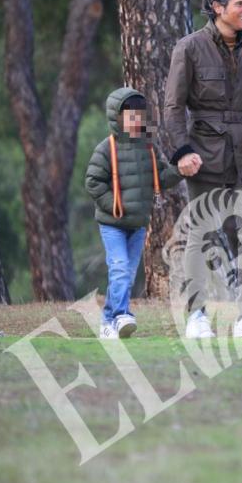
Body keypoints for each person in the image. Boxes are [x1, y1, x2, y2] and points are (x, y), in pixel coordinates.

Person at [164, 0, 242, 339]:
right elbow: (172, 106)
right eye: (239, 4)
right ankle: (196, 316)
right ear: (217, 8)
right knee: (202, 234)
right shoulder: (189, 48)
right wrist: (182, 150)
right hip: (205, 154)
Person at [85, 88, 183, 339]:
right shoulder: (106, 148)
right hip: (112, 224)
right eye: (130, 116)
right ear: (116, 118)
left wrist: (180, 170)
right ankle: (121, 316)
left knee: (126, 274)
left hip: (138, 224)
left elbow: (160, 177)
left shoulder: (148, 146)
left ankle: (108, 320)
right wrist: (113, 205)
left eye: (139, 116)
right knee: (118, 268)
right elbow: (93, 181)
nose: (136, 120)